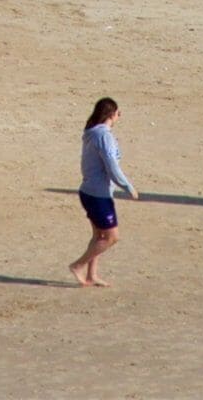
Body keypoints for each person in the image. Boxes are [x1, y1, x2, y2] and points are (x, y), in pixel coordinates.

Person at [71, 98, 134, 286]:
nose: (119, 116)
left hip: (90, 191)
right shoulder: (103, 136)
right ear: (111, 114)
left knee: (99, 236)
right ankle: (78, 265)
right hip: (98, 195)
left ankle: (92, 275)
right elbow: (111, 166)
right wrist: (127, 186)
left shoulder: (93, 132)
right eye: (118, 113)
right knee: (112, 237)